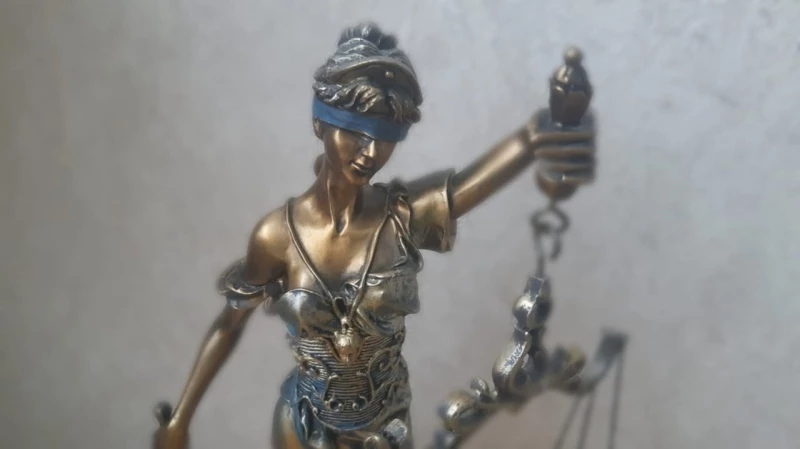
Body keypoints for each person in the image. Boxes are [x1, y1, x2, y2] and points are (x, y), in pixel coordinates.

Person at [153, 22, 595, 449]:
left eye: (385, 138)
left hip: (385, 427)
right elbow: (229, 325)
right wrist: (180, 420)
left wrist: (534, 138)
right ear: (320, 124)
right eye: (354, 133)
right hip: (302, 425)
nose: (370, 153)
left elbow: (464, 189)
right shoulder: (275, 236)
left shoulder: (401, 217)